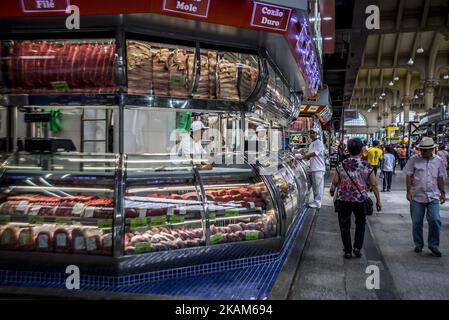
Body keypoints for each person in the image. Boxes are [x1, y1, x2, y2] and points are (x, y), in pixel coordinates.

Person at [330, 138, 382, 259]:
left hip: (343, 199)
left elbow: (335, 181)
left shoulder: (341, 164)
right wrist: (378, 200)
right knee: (360, 223)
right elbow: (374, 184)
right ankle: (357, 248)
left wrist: (334, 190)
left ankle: (347, 250)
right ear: (362, 150)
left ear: (348, 150)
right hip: (360, 199)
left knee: (344, 225)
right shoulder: (366, 165)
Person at [404, 137, 446, 257]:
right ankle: (418, 244)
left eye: (426, 150)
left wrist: (442, 192)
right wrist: (408, 191)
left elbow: (440, 177)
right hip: (417, 195)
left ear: (432, 149)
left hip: (433, 195)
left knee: (435, 219)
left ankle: (433, 245)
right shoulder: (414, 159)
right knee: (417, 221)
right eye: (422, 149)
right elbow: (409, 175)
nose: (423, 152)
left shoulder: (438, 160)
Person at [298, 129, 325, 209]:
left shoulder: (319, 143)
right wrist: (303, 153)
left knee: (318, 186)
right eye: (310, 133)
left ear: (317, 134)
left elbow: (314, 154)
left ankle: (318, 203)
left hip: (318, 168)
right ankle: (315, 201)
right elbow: (309, 157)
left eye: (313, 133)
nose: (311, 134)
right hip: (313, 168)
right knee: (315, 187)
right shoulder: (311, 144)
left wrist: (303, 156)